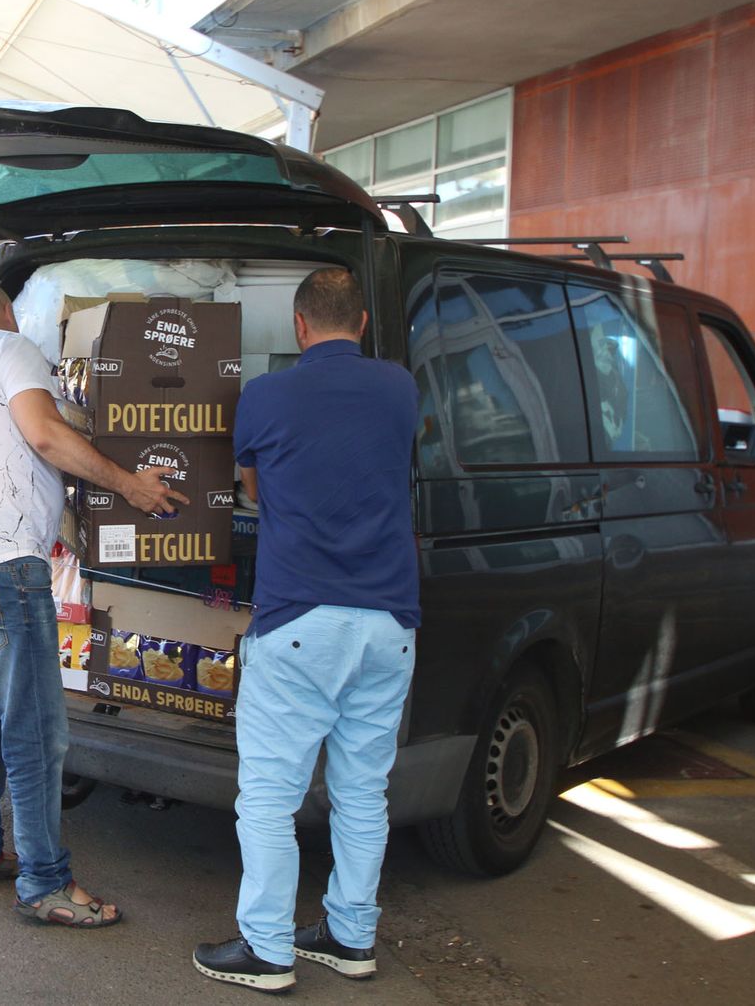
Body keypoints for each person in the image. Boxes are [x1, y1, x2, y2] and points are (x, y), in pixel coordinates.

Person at [0, 281, 185, 928]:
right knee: (36, 729)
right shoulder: (10, 348)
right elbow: (43, 435)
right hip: (8, 565)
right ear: (6, 316)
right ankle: (45, 881)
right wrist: (129, 484)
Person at [193, 267, 420, 994]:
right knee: (362, 794)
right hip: (391, 624)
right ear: (359, 323)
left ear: (298, 327)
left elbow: (255, 488)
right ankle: (351, 938)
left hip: (300, 622)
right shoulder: (400, 389)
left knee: (268, 796)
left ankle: (267, 949)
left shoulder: (265, 396)